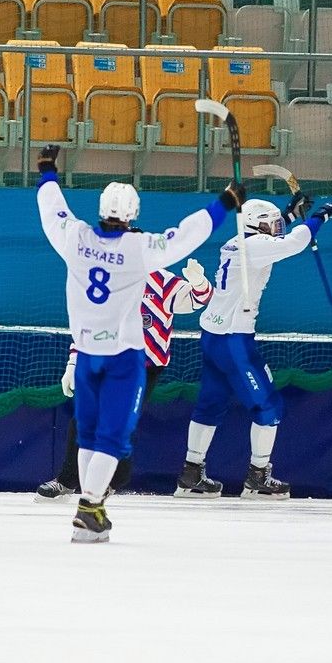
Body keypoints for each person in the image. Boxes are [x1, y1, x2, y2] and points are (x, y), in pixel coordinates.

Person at [35, 144, 242, 542]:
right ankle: (90, 507)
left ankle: (90, 503)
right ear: (133, 215)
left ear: (100, 209)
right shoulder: (138, 249)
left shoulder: (74, 239)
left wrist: (47, 170)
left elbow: (52, 209)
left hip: (86, 354)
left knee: (88, 434)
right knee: (112, 437)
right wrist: (225, 202)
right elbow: (186, 235)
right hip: (125, 359)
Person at [175, 192, 332, 500]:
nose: (277, 227)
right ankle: (258, 475)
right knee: (268, 405)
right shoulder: (254, 246)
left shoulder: (241, 241)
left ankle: (191, 472)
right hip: (234, 341)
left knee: (211, 403)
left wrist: (290, 215)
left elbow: (276, 238)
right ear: (257, 225)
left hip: (213, 336)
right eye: (272, 224)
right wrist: (319, 216)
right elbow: (292, 243)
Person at [36, 261, 213, 500]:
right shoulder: (106, 282)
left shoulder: (161, 281)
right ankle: (66, 482)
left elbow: (198, 299)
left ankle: (111, 481)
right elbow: (87, 325)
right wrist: (73, 363)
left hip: (145, 366)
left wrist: (199, 281)